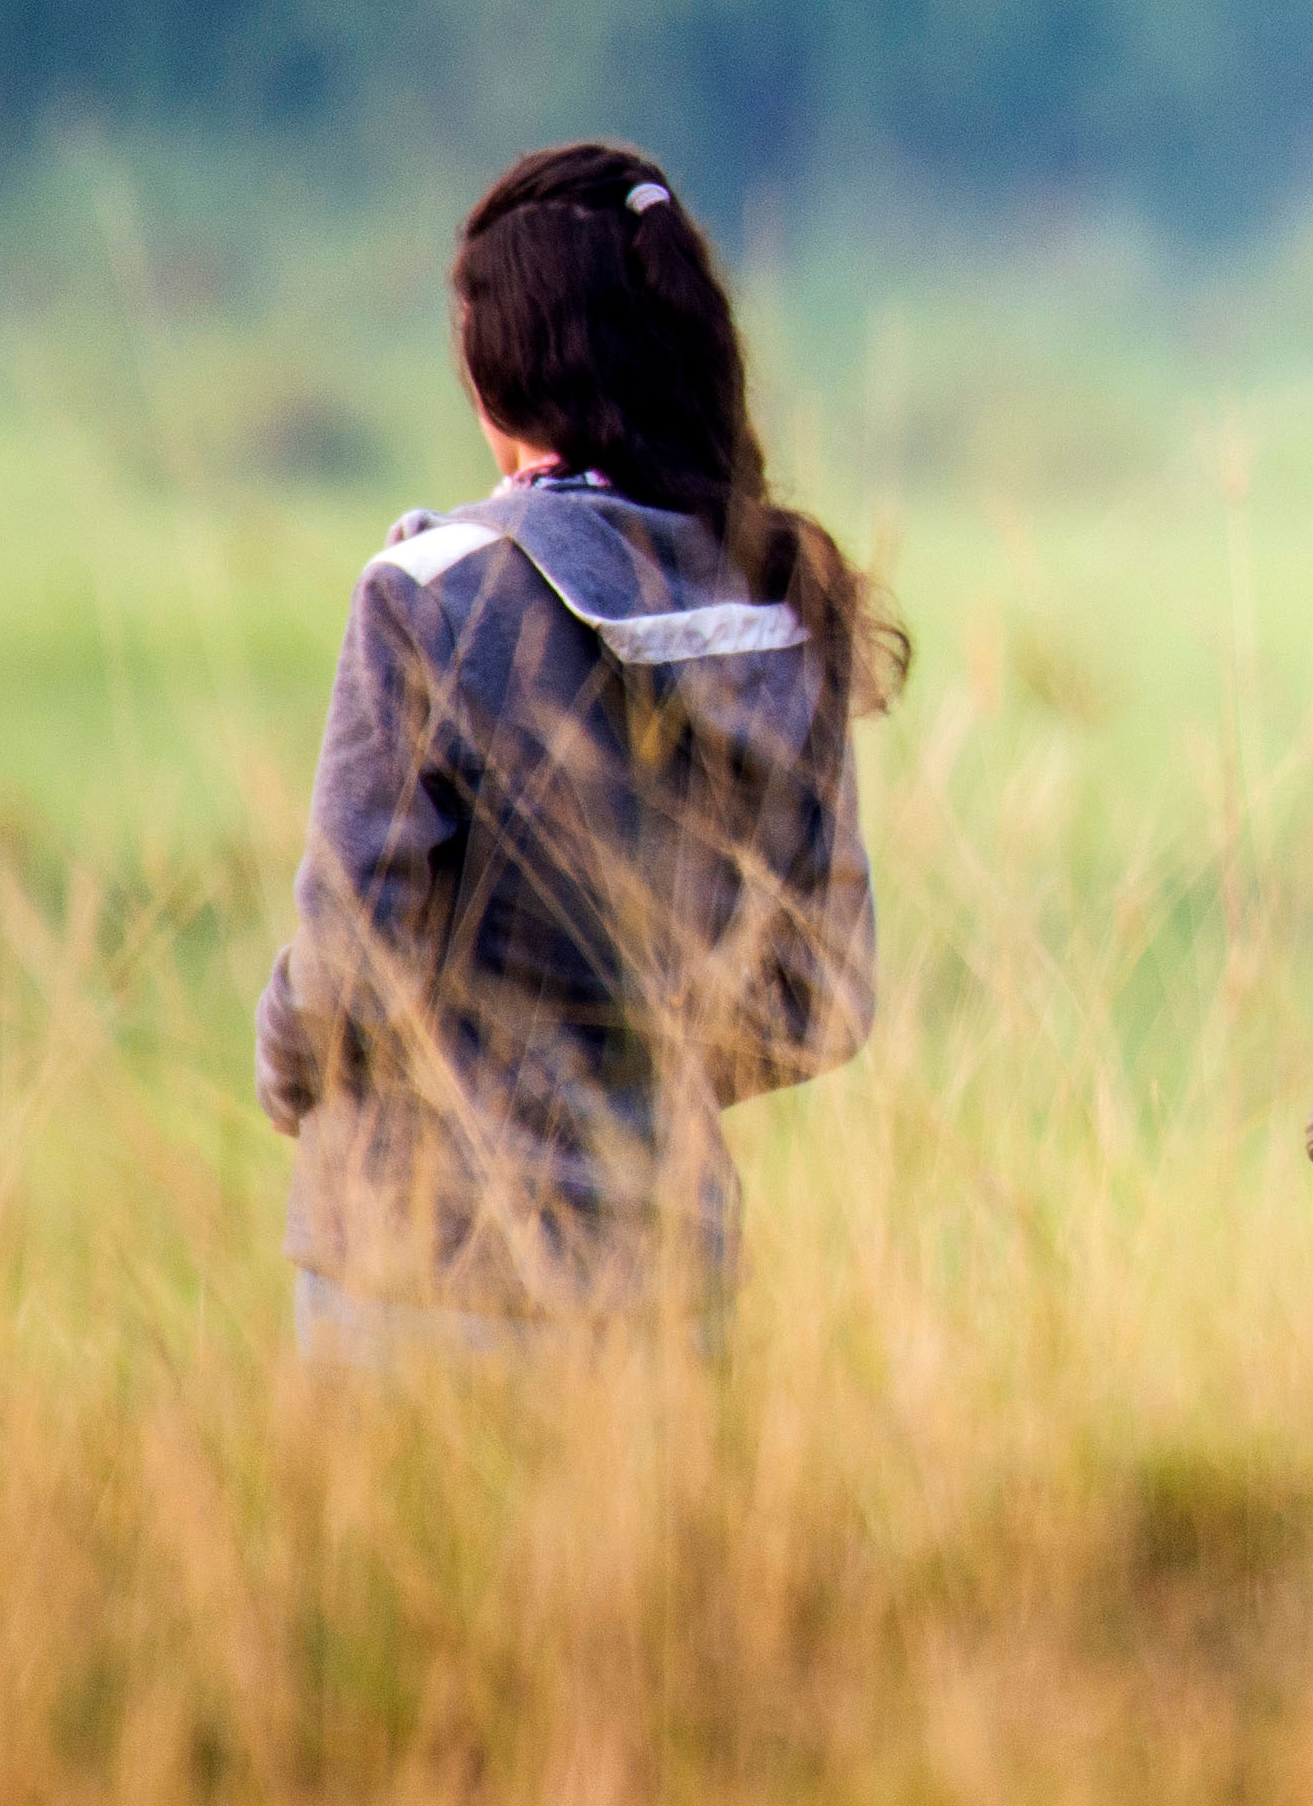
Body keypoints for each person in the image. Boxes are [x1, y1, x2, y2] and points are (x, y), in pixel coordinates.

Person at [256, 141, 892, 1366]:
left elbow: (346, 963)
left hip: (409, 1265)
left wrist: (292, 1076)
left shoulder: (428, 595)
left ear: (497, 375)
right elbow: (823, 997)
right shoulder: (785, 604)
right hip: (663, 1278)